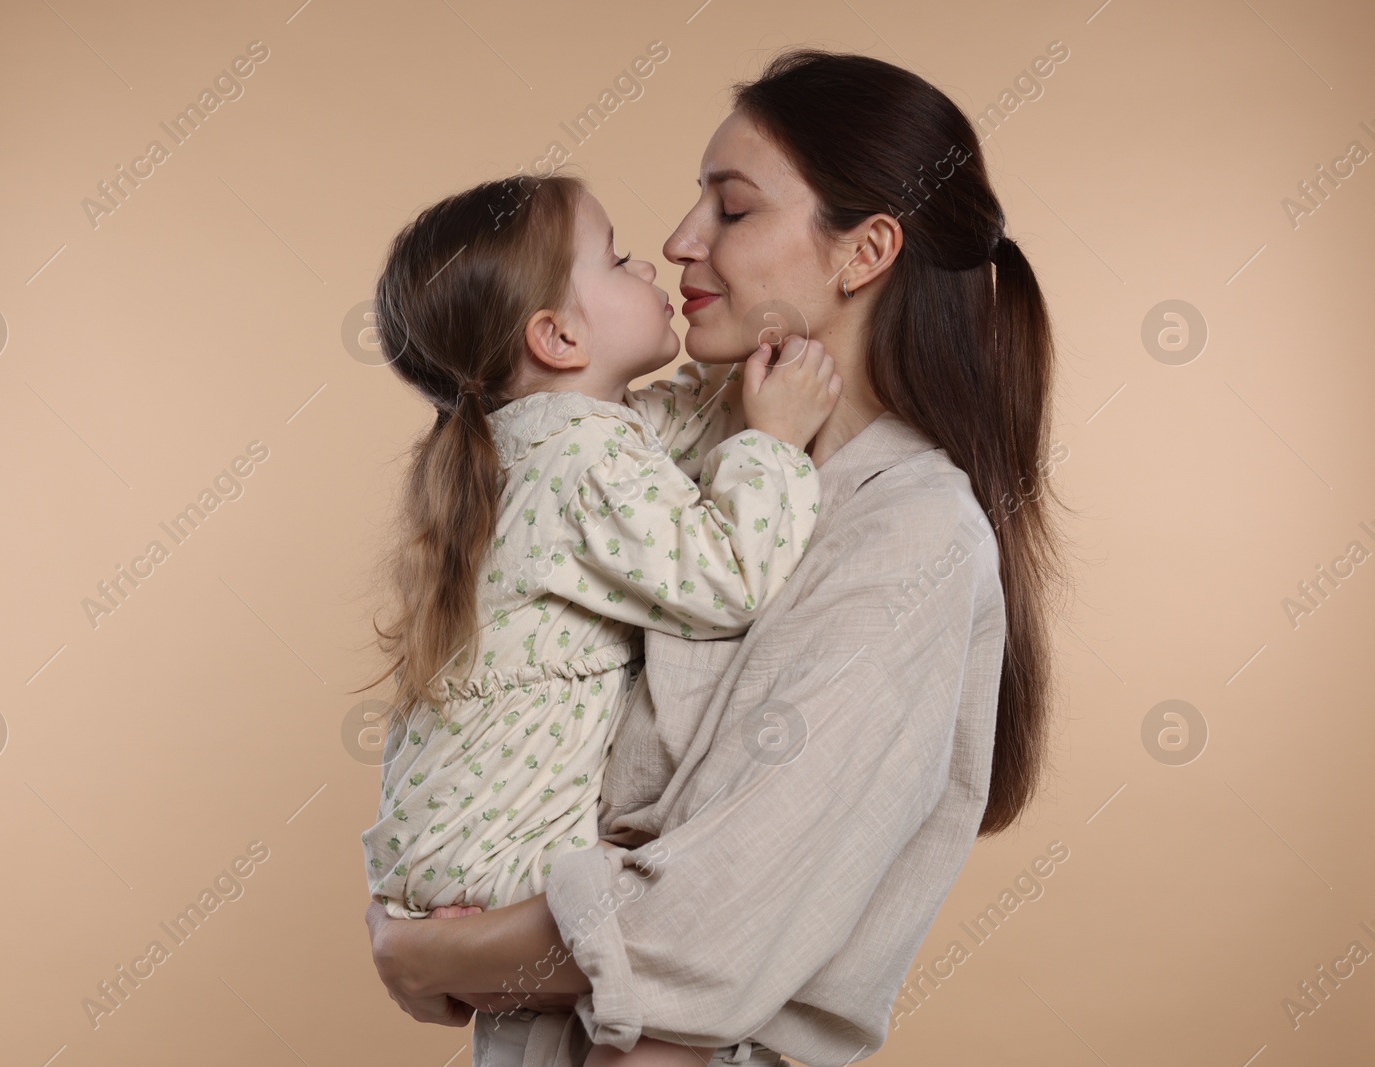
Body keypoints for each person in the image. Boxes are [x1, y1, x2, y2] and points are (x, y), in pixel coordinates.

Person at [365, 48, 1069, 1067]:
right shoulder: (678, 461)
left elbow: (702, 929)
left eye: (732, 210)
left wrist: (421, 949)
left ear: (863, 251)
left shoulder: (906, 538)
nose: (678, 239)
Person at [356, 169, 846, 1066]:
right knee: (692, 953)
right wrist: (775, 445)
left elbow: (682, 423)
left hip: (453, 854)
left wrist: (758, 355)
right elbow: (729, 578)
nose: (655, 263)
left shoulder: (553, 435)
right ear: (558, 333)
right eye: (618, 259)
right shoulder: (575, 458)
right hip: (500, 860)